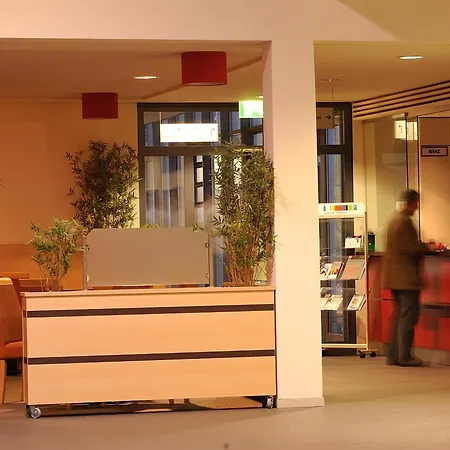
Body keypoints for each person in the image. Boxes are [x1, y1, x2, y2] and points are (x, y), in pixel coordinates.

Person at [383, 189, 437, 367]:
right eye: (416, 203)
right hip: (406, 278)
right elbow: (409, 248)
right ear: (411, 202)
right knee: (408, 317)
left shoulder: (394, 220)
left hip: (395, 278)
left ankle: (393, 355)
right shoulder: (404, 222)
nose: (417, 207)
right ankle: (405, 356)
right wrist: (428, 247)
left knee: (398, 317)